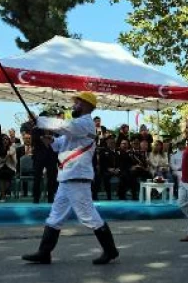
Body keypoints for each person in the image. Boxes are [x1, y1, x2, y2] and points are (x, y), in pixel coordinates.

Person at [22, 92, 119, 265]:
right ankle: (44, 253)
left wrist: (40, 120)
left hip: (77, 177)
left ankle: (110, 250)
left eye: (77, 103)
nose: (74, 105)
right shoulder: (76, 127)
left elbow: (65, 126)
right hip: (67, 177)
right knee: (55, 216)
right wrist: (47, 138)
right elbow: (58, 145)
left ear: (87, 105)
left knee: (88, 215)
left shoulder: (85, 123)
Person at [31, 112, 59, 203]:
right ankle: (36, 198)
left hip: (51, 156)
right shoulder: (36, 129)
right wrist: (43, 137)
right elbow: (35, 140)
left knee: (52, 178)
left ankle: (51, 198)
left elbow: (56, 140)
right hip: (39, 157)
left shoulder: (53, 129)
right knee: (37, 178)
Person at [0, 135, 18, 202]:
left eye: (7, 139)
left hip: (10, 167)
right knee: (1, 174)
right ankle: (3, 196)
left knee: (6, 174)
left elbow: (15, 162)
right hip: (0, 167)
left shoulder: (12, 149)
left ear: (9, 141)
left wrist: (12, 156)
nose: (5, 141)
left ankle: (2, 196)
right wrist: (7, 156)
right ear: (1, 141)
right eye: (3, 139)